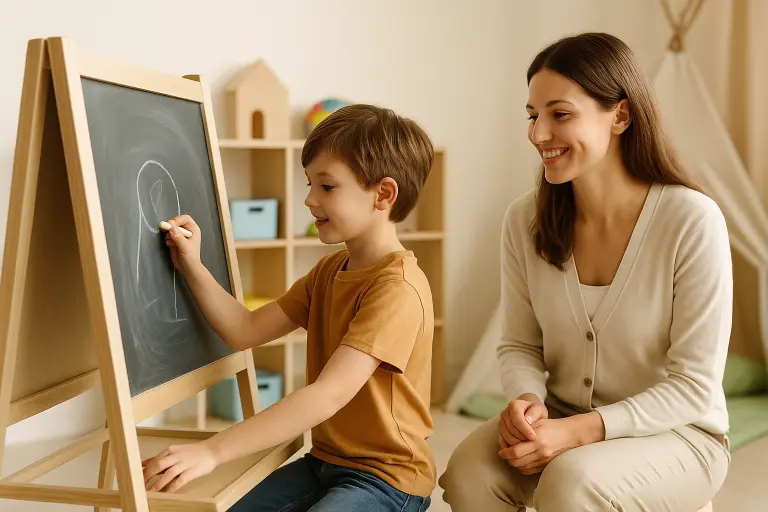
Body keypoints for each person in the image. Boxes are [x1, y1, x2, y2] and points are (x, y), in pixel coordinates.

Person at [439, 32, 732, 511]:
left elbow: (694, 387)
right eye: (533, 116)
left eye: (560, 114)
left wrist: (578, 432)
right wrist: (528, 400)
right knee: (469, 471)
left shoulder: (691, 220)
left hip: (679, 436)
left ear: (620, 114)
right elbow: (519, 344)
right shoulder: (525, 220)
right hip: (560, 416)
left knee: (571, 482)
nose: (538, 134)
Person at [142, 104, 436, 512]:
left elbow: (327, 396)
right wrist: (192, 265)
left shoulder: (397, 290)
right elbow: (244, 329)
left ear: (383, 194)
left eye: (327, 187)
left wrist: (213, 451)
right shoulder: (329, 271)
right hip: (324, 463)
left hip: (387, 480)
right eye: (309, 183)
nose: (309, 199)